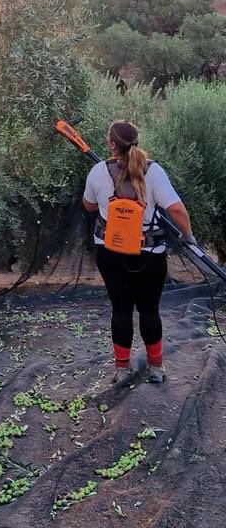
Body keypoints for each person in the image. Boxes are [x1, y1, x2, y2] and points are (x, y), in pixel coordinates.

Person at [82, 120, 194, 385]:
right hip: (150, 254)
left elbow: (88, 206)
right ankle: (156, 368)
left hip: (110, 254)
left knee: (120, 310)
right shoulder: (153, 172)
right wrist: (188, 237)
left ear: (111, 144)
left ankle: (122, 369)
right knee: (149, 310)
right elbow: (176, 210)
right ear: (137, 141)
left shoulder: (98, 171)